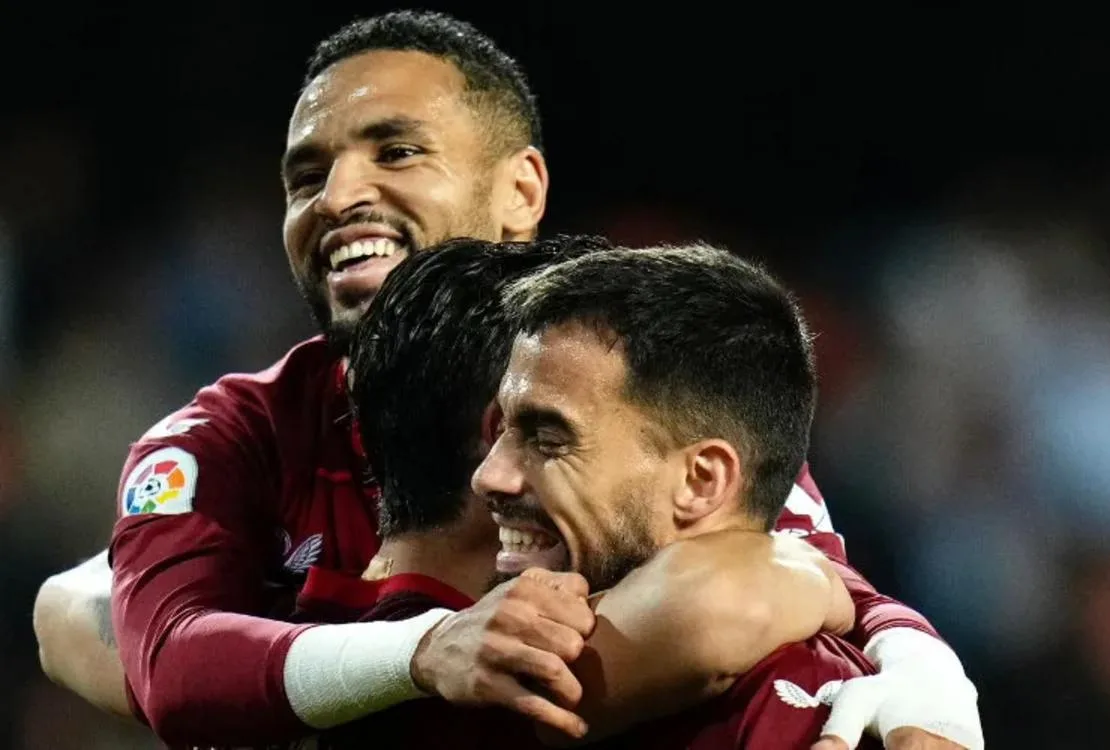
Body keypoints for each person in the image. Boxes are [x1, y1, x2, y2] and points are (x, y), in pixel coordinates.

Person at [30, 9, 982, 750]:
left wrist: (922, 664)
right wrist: (421, 653)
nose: (339, 196)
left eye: (397, 150)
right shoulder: (227, 439)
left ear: (520, 190)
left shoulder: (628, 384)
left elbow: (767, 582)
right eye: (305, 175)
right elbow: (163, 659)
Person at [293, 234, 860, 749]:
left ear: (700, 481)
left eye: (548, 439)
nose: (489, 476)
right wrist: (802, 577)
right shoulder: (449, 676)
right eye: (501, 429)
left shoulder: (813, 713)